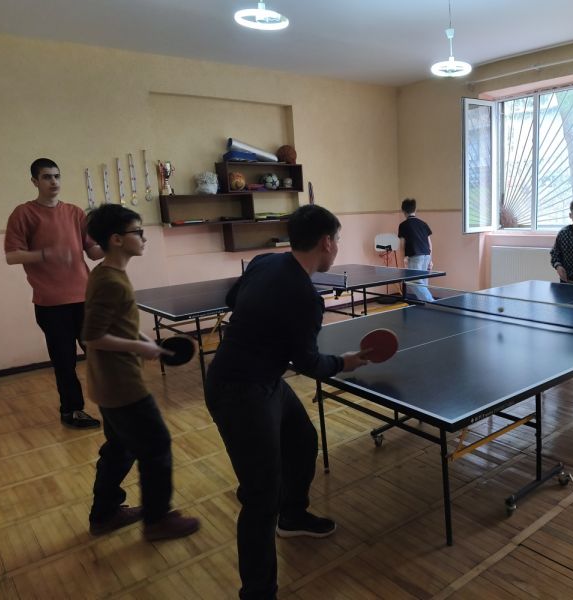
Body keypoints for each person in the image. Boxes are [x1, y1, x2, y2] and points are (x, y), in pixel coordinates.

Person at [204, 204, 370, 600]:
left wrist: (262, 328)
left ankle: (292, 515)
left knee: (302, 440)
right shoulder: (306, 298)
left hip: (262, 380)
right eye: (338, 240)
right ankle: (258, 592)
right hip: (239, 391)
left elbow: (232, 298)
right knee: (260, 496)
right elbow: (309, 364)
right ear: (326, 242)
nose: (337, 247)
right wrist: (345, 362)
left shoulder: (265, 261)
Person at [83, 204, 200, 540]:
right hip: (122, 385)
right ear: (117, 239)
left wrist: (146, 340)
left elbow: (115, 323)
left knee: (120, 449)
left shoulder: (105, 273)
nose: (144, 238)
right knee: (156, 445)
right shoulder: (111, 282)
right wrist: (139, 347)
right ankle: (157, 520)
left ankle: (104, 513)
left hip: (106, 383)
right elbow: (92, 336)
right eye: (138, 232)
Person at [4, 158, 104, 428]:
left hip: (85, 299)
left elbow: (93, 252)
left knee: (100, 354)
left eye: (57, 176)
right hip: (51, 304)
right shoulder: (23, 214)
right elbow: (12, 256)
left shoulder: (74, 212)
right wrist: (46, 254)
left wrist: (116, 245)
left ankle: (114, 405)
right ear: (34, 181)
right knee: (65, 362)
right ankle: (71, 411)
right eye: (47, 177)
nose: (54, 182)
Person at [398, 197, 434, 302]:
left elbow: (402, 244)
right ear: (415, 209)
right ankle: (427, 306)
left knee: (413, 281)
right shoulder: (423, 224)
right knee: (422, 283)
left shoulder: (403, 225)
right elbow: (429, 243)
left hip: (415, 256)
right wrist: (430, 259)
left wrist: (404, 258)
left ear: (403, 211)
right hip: (426, 255)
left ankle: (432, 302)